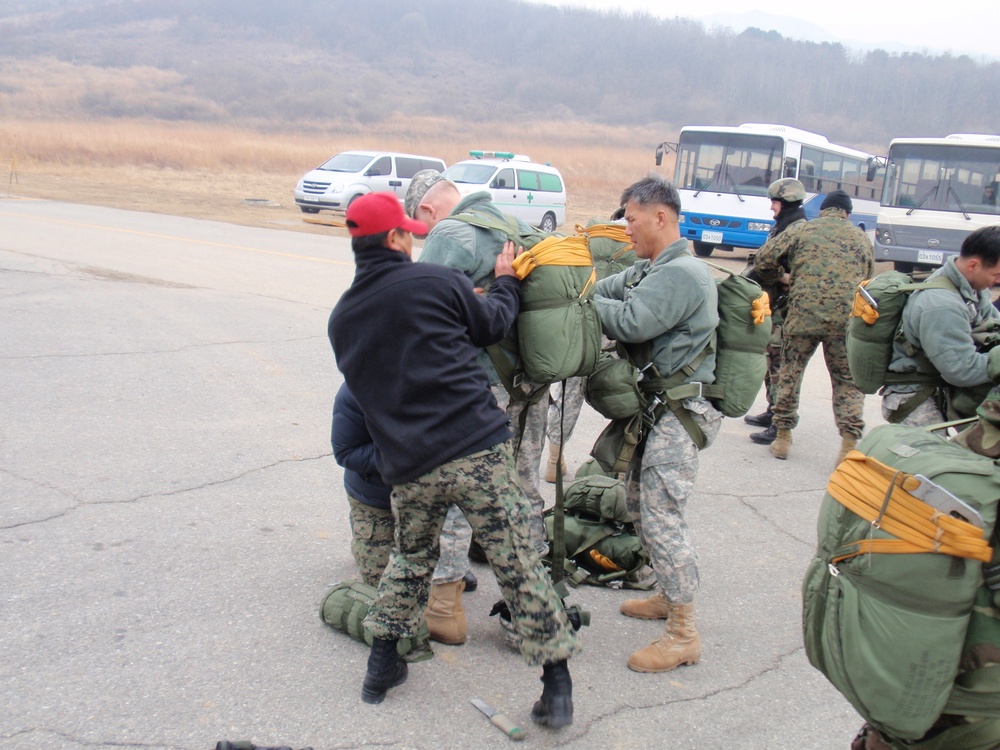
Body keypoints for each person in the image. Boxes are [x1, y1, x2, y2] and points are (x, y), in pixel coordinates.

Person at [328, 192, 579, 724]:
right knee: (516, 562)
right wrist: (507, 280)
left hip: (410, 468)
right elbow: (491, 324)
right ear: (397, 239)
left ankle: (380, 669)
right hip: (475, 449)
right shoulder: (436, 282)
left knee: (410, 561)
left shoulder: (342, 320)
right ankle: (556, 688)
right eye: (406, 236)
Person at [593, 175, 723, 673]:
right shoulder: (650, 268)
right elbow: (600, 290)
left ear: (660, 217)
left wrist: (585, 304)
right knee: (637, 504)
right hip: (659, 408)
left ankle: (683, 633)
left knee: (662, 513)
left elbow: (629, 323)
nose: (625, 228)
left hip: (682, 412)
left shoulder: (683, 274)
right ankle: (669, 596)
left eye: (630, 217)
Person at [405, 169, 550, 552]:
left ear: (427, 210)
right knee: (524, 479)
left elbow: (421, 316)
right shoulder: (515, 225)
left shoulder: (450, 234)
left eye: (420, 227)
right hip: (533, 378)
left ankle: (447, 590)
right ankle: (533, 577)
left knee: (462, 481)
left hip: (483, 384)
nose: (422, 235)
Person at [330, 382, 476, 645]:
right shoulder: (357, 388)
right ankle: (364, 537)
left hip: (424, 499)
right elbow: (346, 452)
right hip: (377, 499)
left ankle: (444, 571)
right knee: (384, 591)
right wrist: (407, 453)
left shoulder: (442, 379)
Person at [753, 188, 874, 463]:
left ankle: (783, 438)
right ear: (848, 213)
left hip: (802, 317)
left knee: (790, 374)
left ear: (823, 210)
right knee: (846, 381)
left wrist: (784, 277)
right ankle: (848, 444)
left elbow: (763, 260)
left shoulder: (803, 230)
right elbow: (867, 278)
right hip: (844, 322)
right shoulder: (861, 237)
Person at [882, 225, 1000, 426]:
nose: (997, 281)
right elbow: (962, 369)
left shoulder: (971, 288)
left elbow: (994, 323)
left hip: (940, 388)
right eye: (996, 275)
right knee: (933, 456)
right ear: (974, 265)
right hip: (914, 397)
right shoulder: (941, 304)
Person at [742, 178, 808, 445]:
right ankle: (772, 411)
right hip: (774, 304)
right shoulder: (784, 227)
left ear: (786, 204)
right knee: (771, 359)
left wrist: (777, 275)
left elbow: (797, 273)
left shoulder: (798, 231)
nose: (771, 208)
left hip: (786, 307)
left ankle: (780, 423)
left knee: (780, 362)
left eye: (775, 203)